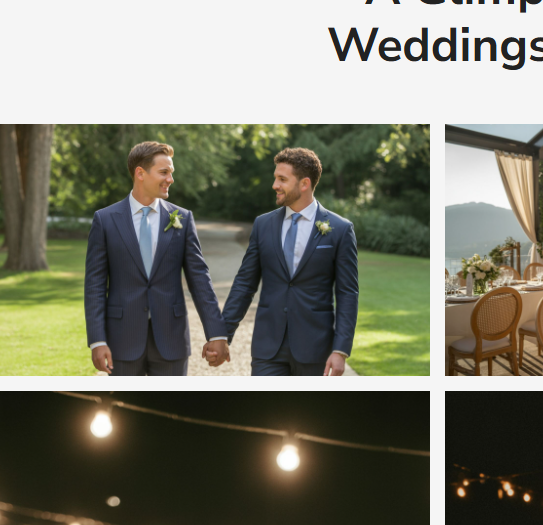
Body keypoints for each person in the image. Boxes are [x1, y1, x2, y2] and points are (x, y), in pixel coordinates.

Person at [83, 140, 230, 376]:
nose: (170, 179)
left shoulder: (182, 218)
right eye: (164, 172)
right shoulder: (105, 220)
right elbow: (95, 286)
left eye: (171, 173)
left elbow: (200, 280)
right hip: (122, 339)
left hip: (172, 339)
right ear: (140, 173)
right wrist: (97, 341)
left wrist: (217, 334)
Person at [219, 147, 359, 376]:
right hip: (268, 347)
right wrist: (222, 334)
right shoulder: (263, 225)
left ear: (304, 184)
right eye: (275, 178)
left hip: (315, 348)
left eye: (282, 179)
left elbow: (347, 293)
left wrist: (340, 349)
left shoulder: (340, 229)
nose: (275, 185)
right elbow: (245, 283)